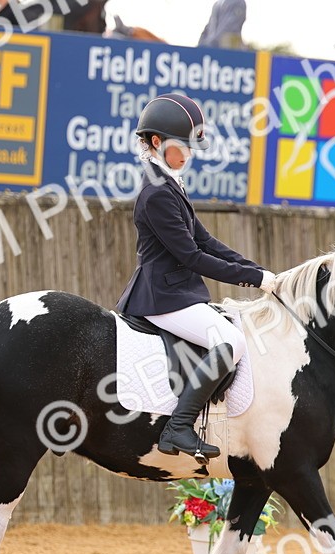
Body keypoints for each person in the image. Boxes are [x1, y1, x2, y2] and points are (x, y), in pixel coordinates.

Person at [116, 94, 275, 462]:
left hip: (177, 292)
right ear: (157, 142)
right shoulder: (156, 193)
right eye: (182, 146)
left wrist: (258, 271)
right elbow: (191, 256)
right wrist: (253, 279)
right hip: (162, 296)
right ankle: (178, 427)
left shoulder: (169, 182)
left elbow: (205, 240)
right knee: (230, 341)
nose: (188, 153)